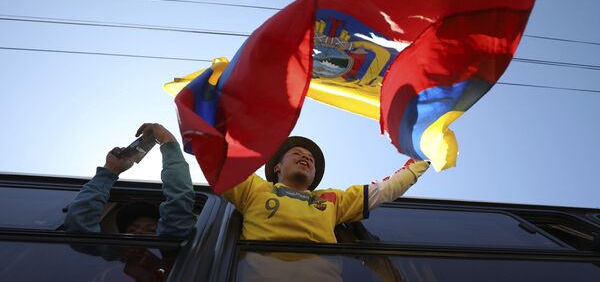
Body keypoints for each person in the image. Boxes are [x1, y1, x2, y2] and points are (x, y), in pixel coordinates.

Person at [222, 136, 430, 243]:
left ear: (314, 175)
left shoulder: (332, 199)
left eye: (310, 159)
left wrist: (425, 157)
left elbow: (386, 189)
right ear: (277, 167)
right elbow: (216, 155)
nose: (305, 158)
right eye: (297, 153)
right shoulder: (252, 188)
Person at [64, 123, 196, 237]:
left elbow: (179, 202)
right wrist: (111, 168)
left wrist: (169, 143)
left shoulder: (166, 251)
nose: (139, 232)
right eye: (131, 230)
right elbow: (78, 224)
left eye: (150, 229)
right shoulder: (112, 258)